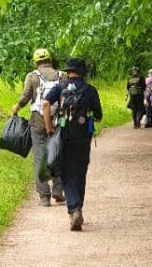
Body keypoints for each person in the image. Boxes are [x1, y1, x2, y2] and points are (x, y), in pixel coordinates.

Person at [43, 57, 103, 231]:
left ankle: (74, 210)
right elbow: (99, 117)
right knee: (80, 172)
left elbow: (45, 104)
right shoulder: (90, 90)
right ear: (83, 72)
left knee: (68, 174)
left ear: (68, 72)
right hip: (83, 137)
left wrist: (49, 128)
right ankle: (78, 208)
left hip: (65, 136)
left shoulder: (60, 87)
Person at [11, 48, 64, 207]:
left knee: (39, 157)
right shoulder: (62, 75)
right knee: (57, 154)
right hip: (58, 121)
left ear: (36, 62)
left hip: (38, 121)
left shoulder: (32, 76)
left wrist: (16, 108)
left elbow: (26, 96)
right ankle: (58, 190)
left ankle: (44, 197)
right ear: (50, 60)